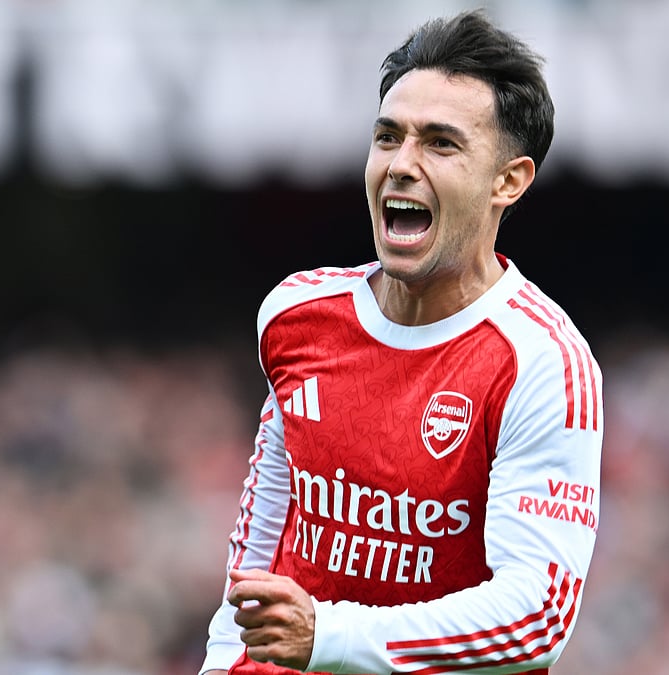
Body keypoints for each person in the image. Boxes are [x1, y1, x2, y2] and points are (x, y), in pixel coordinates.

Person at [201, 9, 603, 675]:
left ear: (510, 180)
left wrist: (331, 635)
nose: (401, 165)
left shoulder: (542, 362)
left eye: (441, 144)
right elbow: (264, 536)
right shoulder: (297, 314)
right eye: (388, 137)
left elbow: (538, 614)